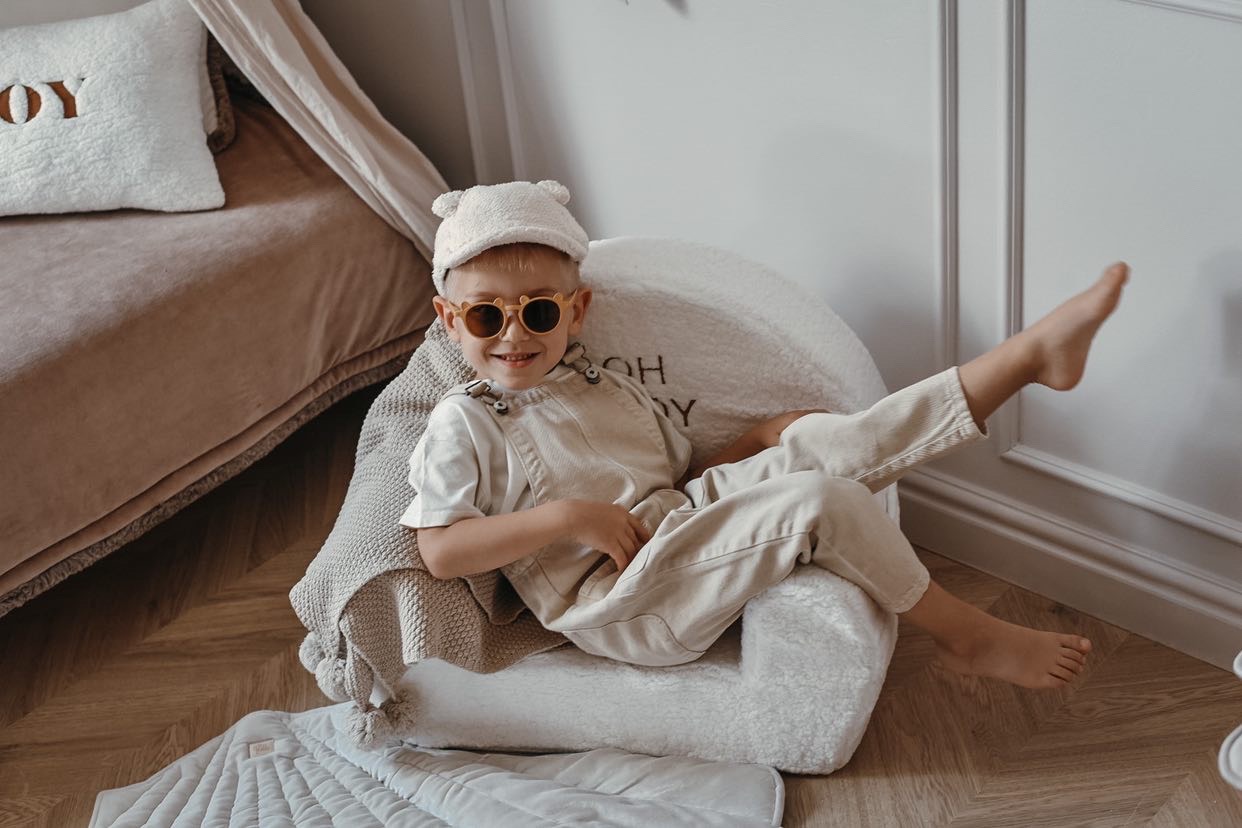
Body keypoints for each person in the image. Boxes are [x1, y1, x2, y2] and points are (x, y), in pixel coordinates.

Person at [402, 180, 1129, 690]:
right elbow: (439, 549)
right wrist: (566, 519)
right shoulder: (463, 422)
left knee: (829, 447)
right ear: (449, 320)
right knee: (819, 501)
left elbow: (682, 487)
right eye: (486, 317)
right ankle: (965, 633)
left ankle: (1024, 360)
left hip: (675, 533)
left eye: (537, 313)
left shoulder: (600, 384)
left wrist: (759, 441)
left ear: (577, 310)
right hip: (621, 603)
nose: (514, 336)